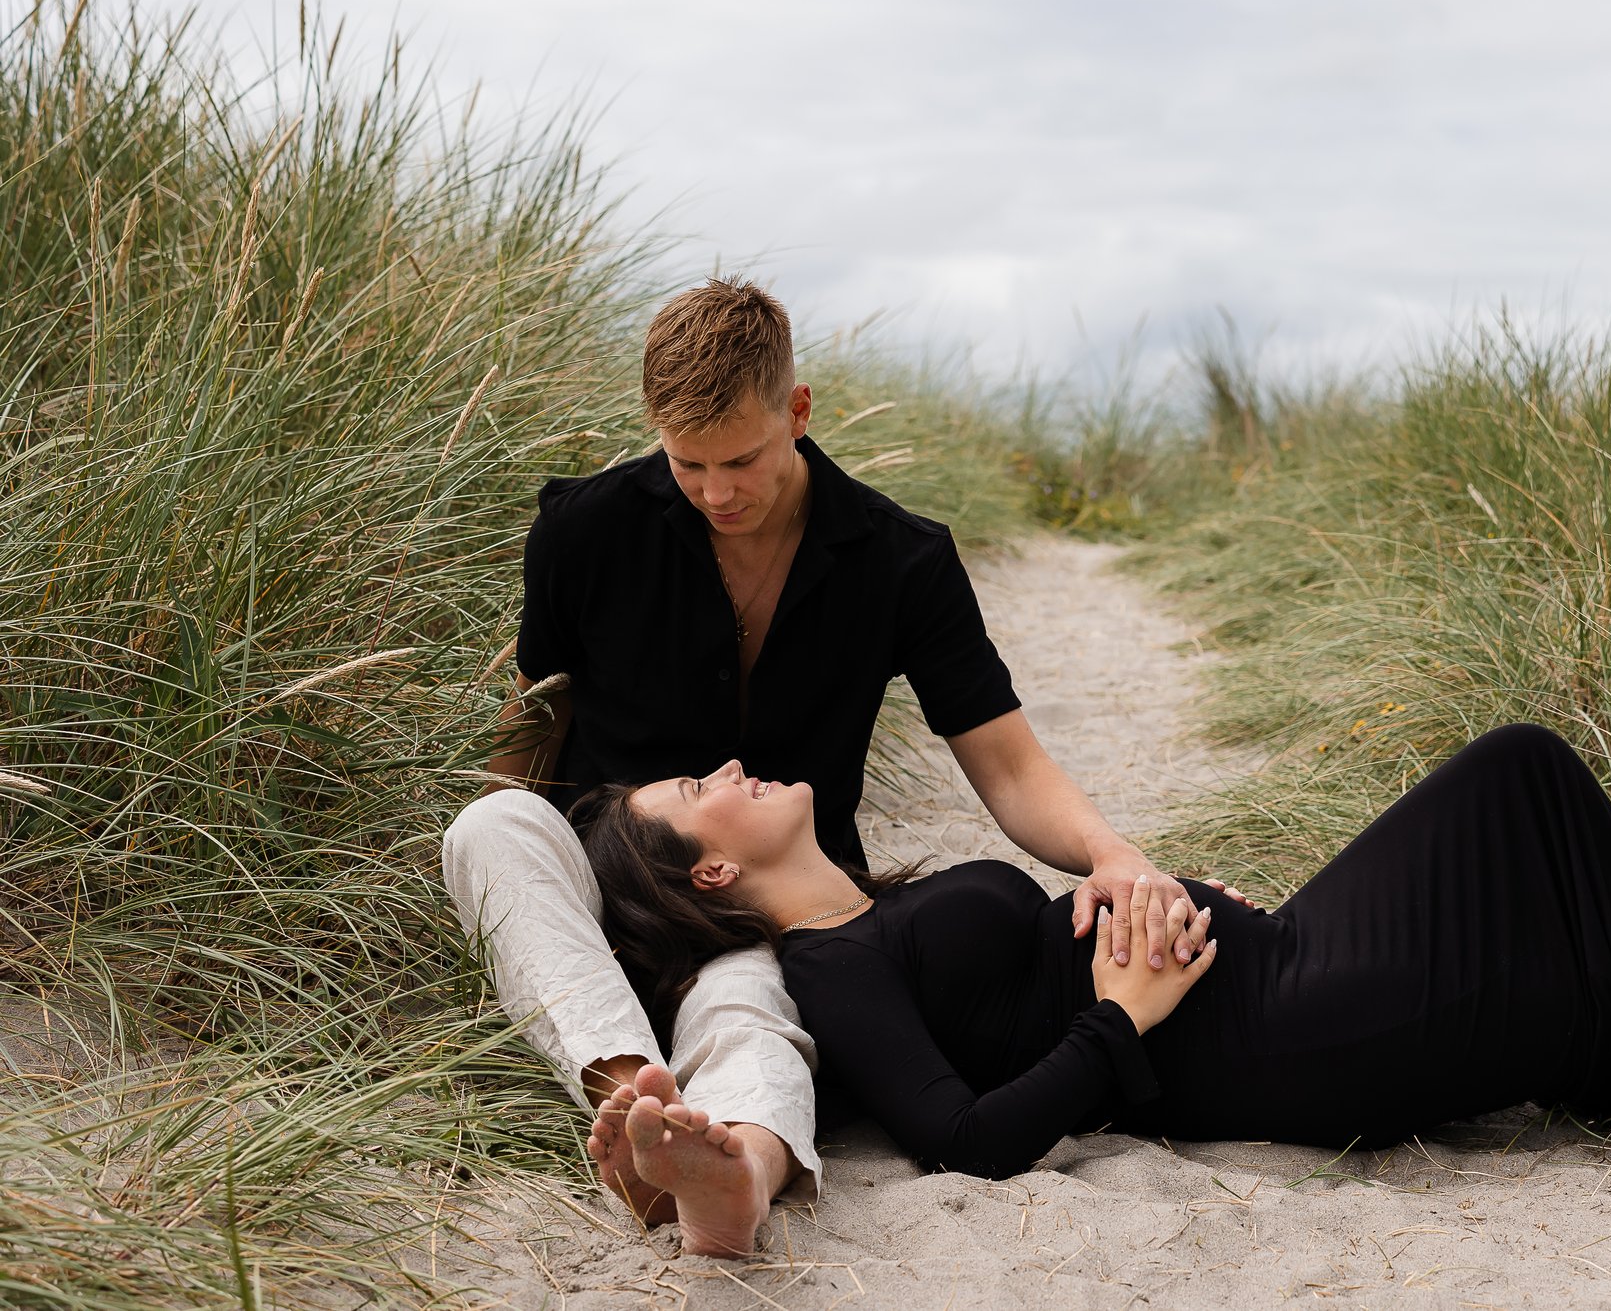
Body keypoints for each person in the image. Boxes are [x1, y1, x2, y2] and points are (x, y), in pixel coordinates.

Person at [439, 278, 1238, 1257]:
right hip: (609, 908)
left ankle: (725, 1172)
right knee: (486, 828)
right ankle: (627, 1100)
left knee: (748, 994)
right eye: (688, 464)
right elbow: (530, 727)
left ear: (798, 411)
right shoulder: (584, 531)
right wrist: (497, 926)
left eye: (742, 457)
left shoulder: (899, 559)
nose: (718, 491)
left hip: (766, 923)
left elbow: (1011, 767)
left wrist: (1114, 856)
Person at [570, 721, 1611, 1233]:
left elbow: (1015, 972)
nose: (731, 767)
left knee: (1524, 772)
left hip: (1280, 955)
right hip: (1276, 1040)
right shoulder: (833, 968)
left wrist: (1136, 892)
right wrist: (1120, 1015)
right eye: (703, 790)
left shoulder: (882, 908)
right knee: (1576, 979)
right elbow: (960, 1137)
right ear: (712, 878)